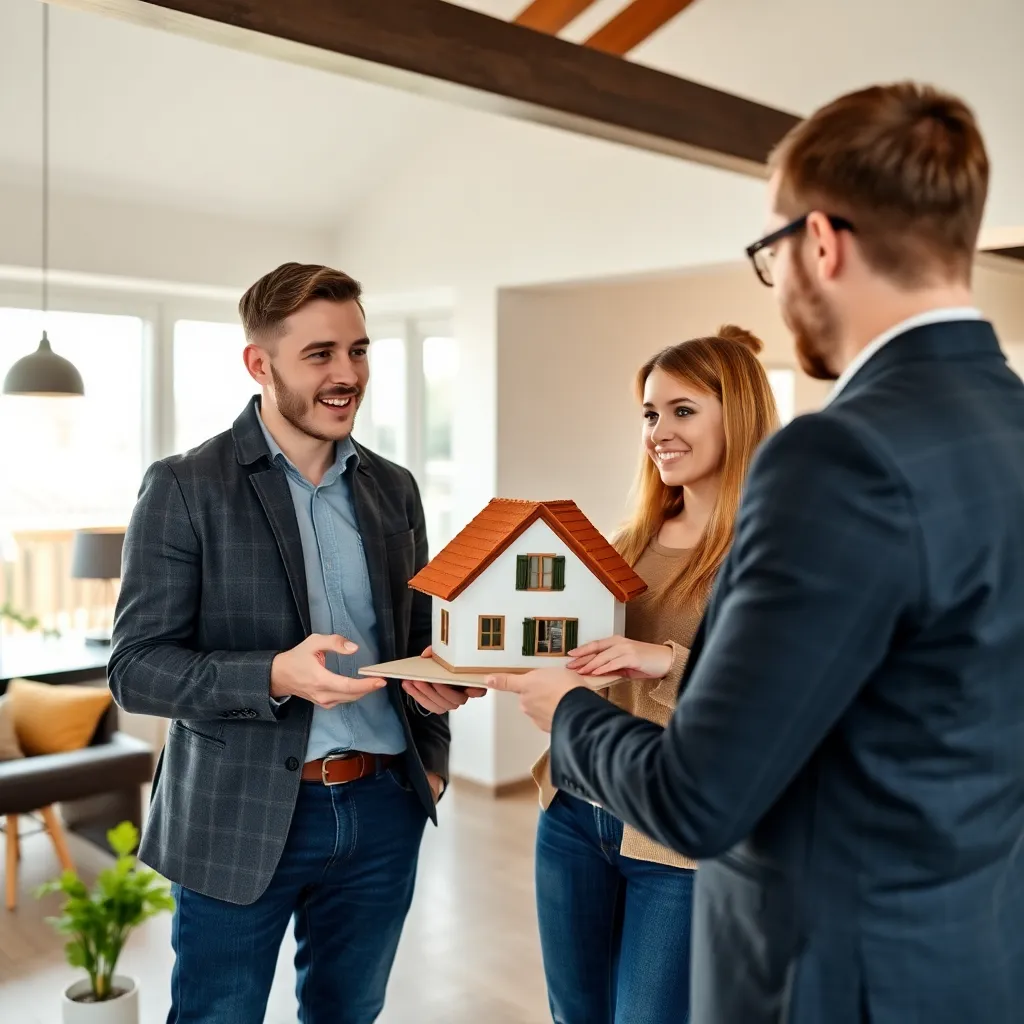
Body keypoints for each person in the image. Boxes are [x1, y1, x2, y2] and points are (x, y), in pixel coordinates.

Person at [490, 81, 1024, 1024]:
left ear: (821, 243)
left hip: (834, 975)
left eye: (771, 253)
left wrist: (568, 711)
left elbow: (698, 799)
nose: (778, 288)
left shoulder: (836, 455)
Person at [109, 262, 463, 1024]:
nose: (347, 375)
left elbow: (413, 639)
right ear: (259, 363)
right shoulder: (184, 486)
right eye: (321, 355)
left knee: (349, 1013)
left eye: (359, 351)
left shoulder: (394, 487)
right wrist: (274, 673)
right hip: (238, 817)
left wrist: (431, 748)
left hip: (381, 807)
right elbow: (136, 670)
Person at [528, 326, 778, 1024]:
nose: (658, 431)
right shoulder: (625, 543)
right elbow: (566, 651)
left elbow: (771, 699)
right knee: (575, 1015)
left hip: (676, 843)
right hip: (575, 811)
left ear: (740, 414)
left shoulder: (768, 553)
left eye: (682, 410)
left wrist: (666, 659)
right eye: (649, 413)